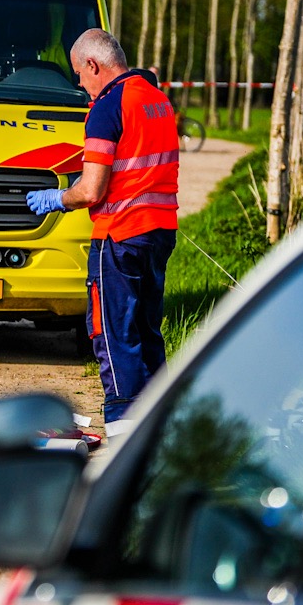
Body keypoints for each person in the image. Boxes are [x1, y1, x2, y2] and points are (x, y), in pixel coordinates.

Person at [26, 28, 179, 435]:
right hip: (159, 232)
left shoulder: (108, 106)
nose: (80, 83)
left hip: (119, 235)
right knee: (147, 331)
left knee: (112, 334)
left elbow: (92, 190)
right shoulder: (156, 98)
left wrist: (58, 198)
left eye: (79, 73)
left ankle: (121, 432)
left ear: (94, 65)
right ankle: (157, 424)